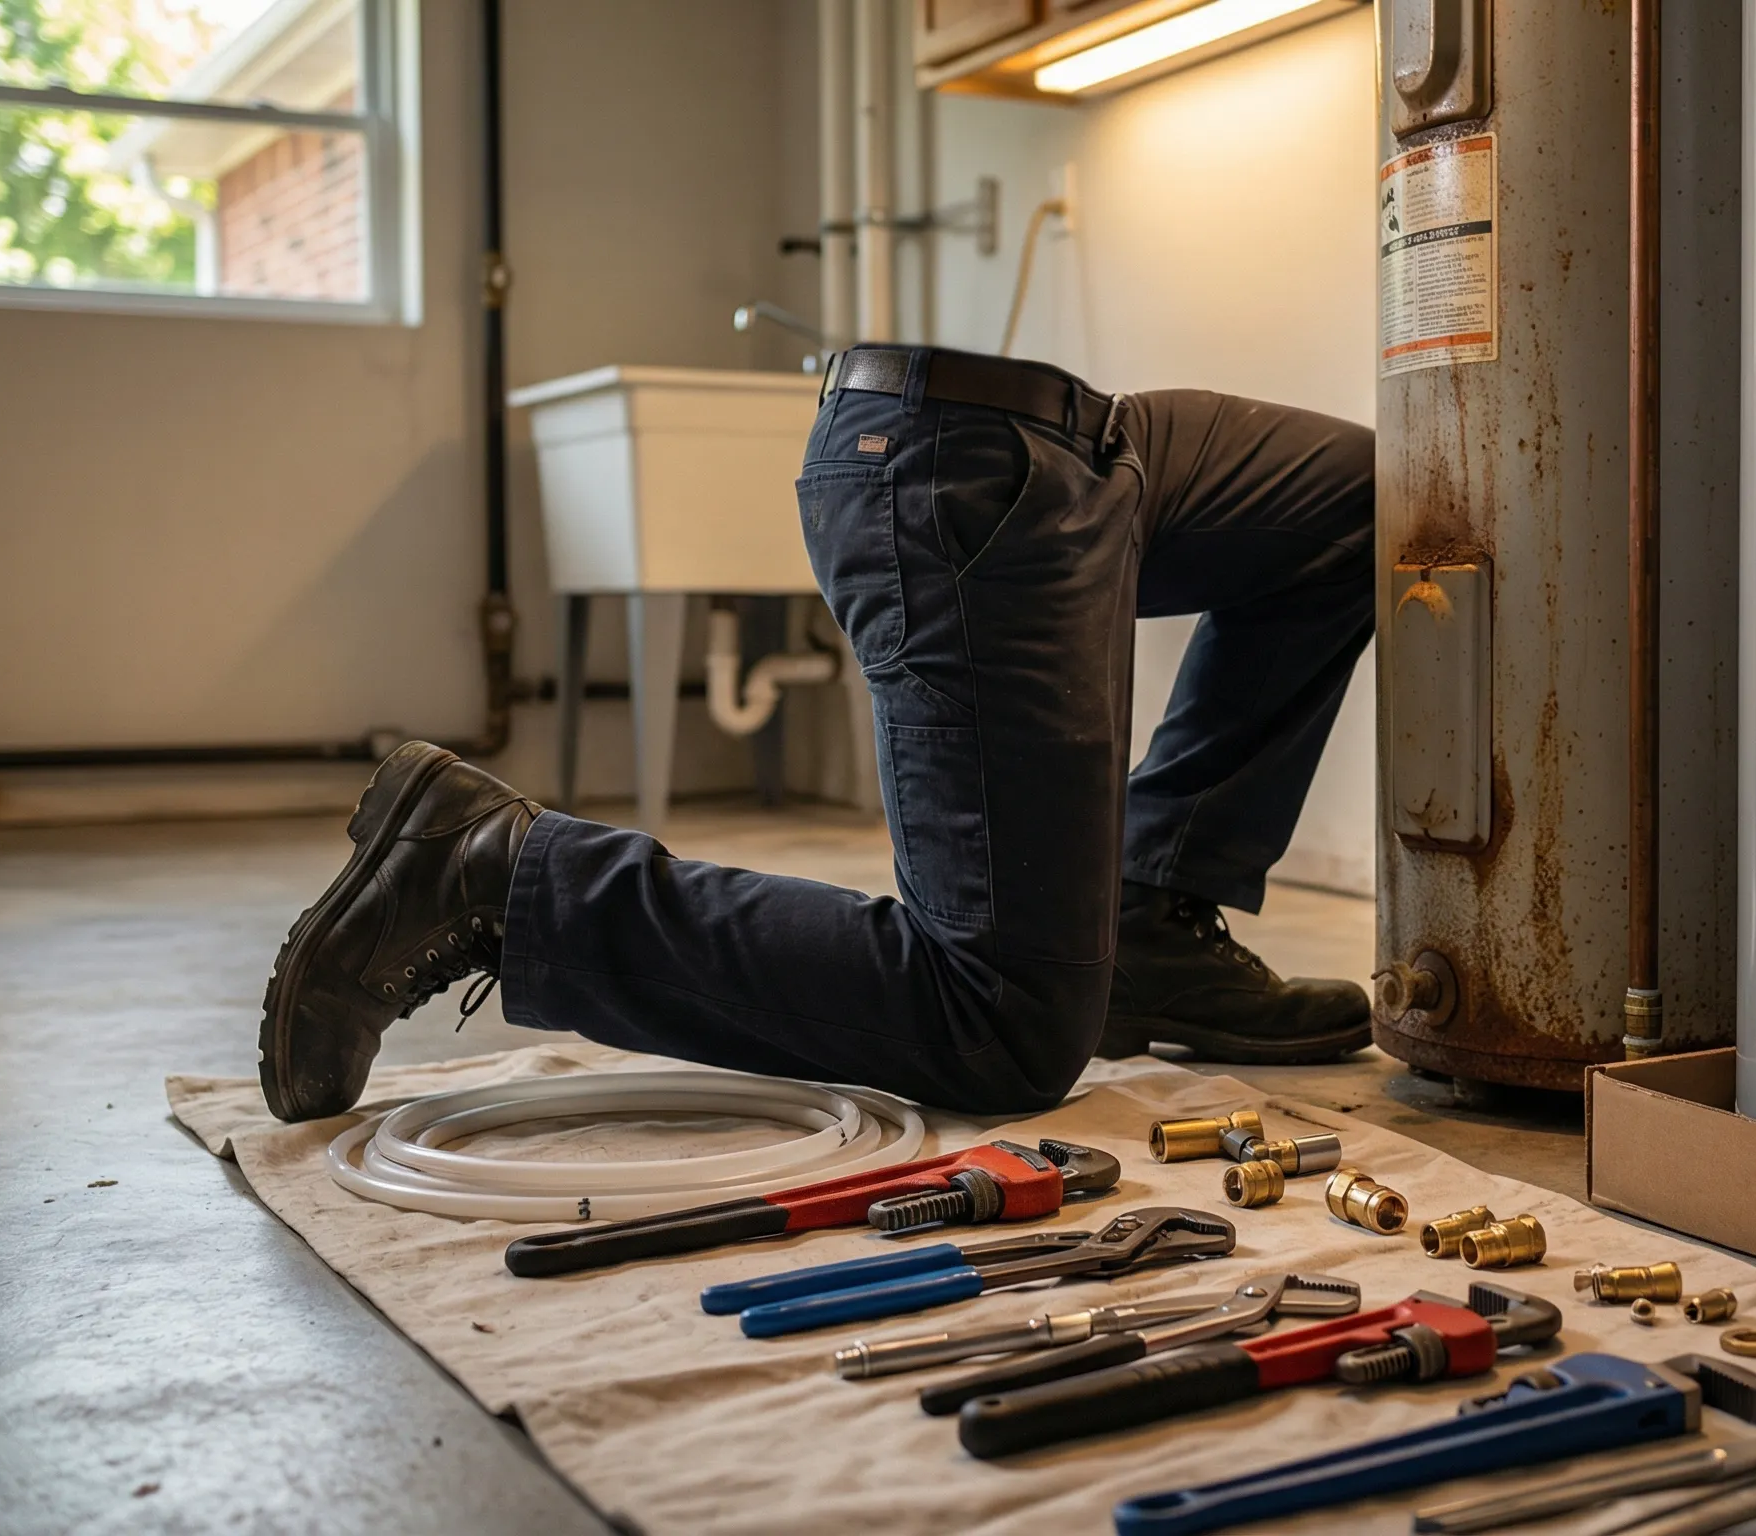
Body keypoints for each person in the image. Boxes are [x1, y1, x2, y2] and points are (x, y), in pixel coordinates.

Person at [257, 344, 1378, 1121]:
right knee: (1004, 1028)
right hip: (955, 486)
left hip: (1087, 458)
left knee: (1375, 503)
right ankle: (498, 873)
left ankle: (1151, 920)